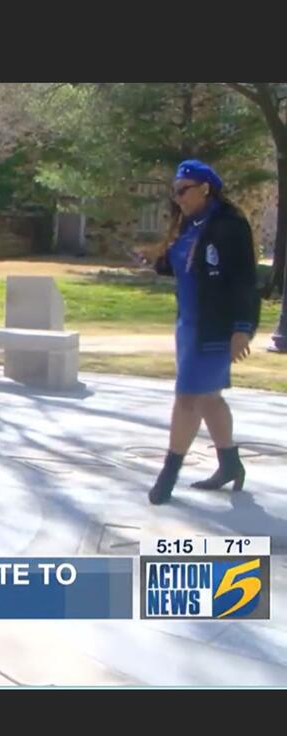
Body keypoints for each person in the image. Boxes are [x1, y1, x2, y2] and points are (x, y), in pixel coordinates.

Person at [137, 160, 260, 505]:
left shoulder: (229, 225)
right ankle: (230, 464)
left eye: (183, 191)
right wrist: (154, 261)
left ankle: (168, 476)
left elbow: (244, 280)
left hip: (216, 326)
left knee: (188, 398)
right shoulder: (189, 223)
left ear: (205, 187)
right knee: (209, 397)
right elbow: (184, 265)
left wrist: (242, 328)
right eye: (174, 192)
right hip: (188, 324)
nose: (177, 199)